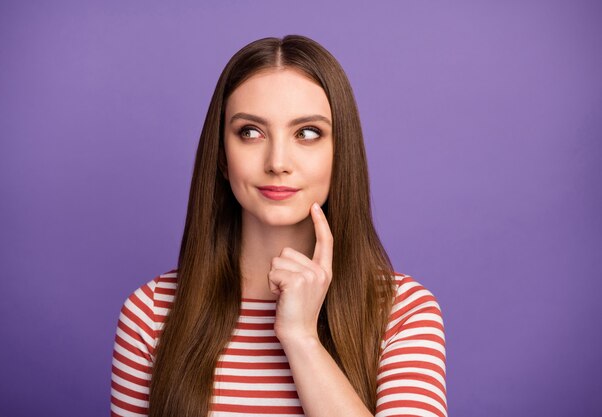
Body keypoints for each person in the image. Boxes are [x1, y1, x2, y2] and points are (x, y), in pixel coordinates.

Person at [110, 34, 447, 417]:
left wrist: (301, 338)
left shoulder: (403, 311)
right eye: (250, 132)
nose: (278, 161)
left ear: (341, 155)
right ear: (222, 157)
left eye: (307, 133)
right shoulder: (151, 313)